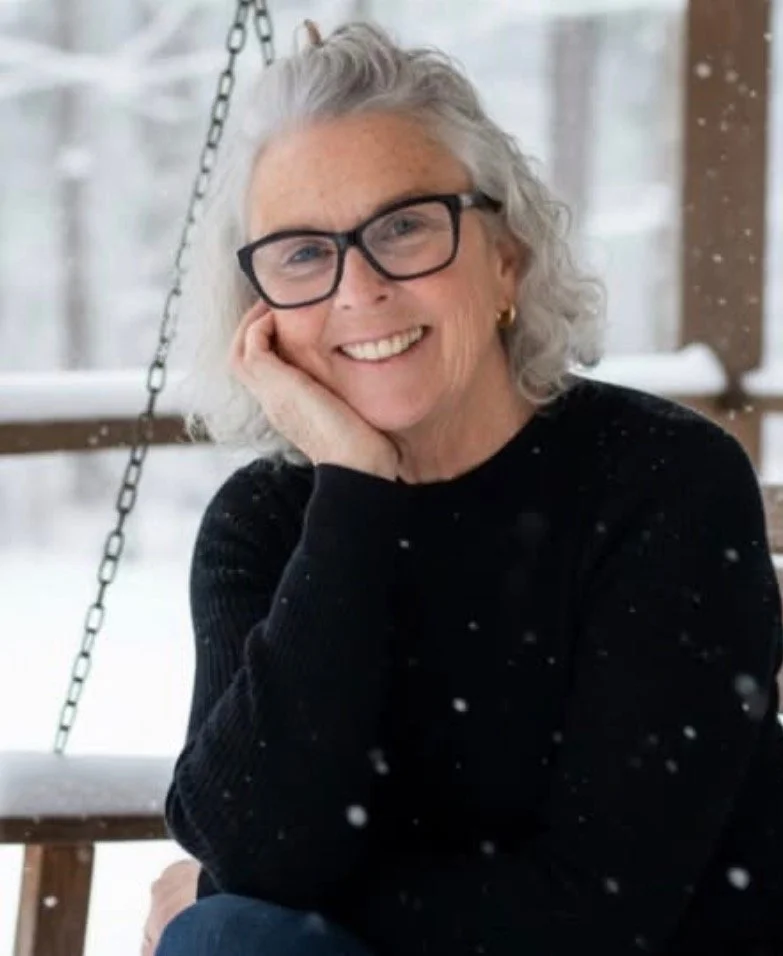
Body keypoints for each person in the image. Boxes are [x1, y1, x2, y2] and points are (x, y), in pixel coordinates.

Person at [144, 19, 783, 956]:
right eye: (302, 255)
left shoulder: (661, 482)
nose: (357, 291)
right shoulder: (267, 521)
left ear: (506, 257)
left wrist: (258, 893)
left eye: (402, 227)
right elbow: (258, 853)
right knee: (234, 937)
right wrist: (355, 494)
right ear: (261, 315)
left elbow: (601, 913)